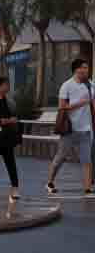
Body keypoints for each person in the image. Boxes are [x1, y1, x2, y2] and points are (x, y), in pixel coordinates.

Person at [47, 58, 95, 195]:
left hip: (86, 130)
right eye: (83, 67)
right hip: (69, 129)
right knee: (60, 157)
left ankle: (87, 188)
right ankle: (50, 182)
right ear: (76, 69)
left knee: (86, 160)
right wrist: (79, 103)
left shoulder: (91, 85)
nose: (86, 70)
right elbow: (61, 107)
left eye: (87, 67)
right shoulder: (67, 86)